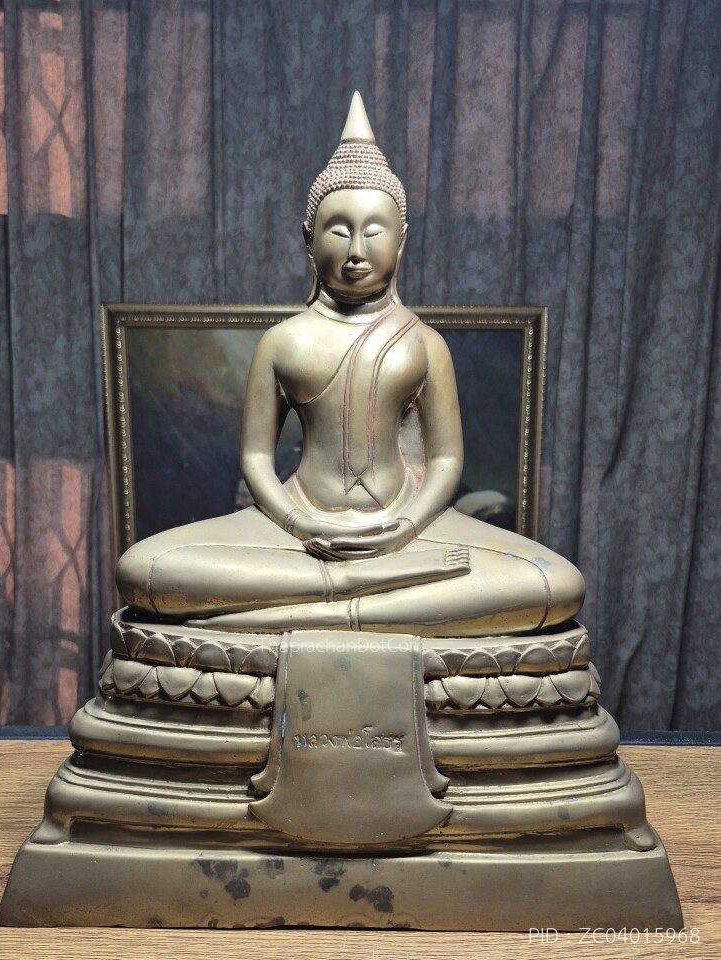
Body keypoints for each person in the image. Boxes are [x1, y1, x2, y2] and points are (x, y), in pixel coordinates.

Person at [116, 93, 584, 638]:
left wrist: (402, 529)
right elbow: (256, 457)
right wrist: (299, 524)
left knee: (555, 584)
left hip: (407, 530)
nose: (356, 249)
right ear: (308, 239)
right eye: (339, 230)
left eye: (374, 231)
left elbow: (447, 459)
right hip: (295, 532)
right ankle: (362, 597)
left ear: (401, 242)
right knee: (144, 570)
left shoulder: (424, 344)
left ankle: (312, 606)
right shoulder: (283, 342)